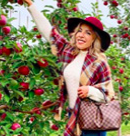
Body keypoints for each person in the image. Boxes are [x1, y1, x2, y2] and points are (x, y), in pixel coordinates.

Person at [23, 0, 115, 135]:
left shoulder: (99, 62)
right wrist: (31, 6)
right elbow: (49, 33)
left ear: (95, 38)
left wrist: (89, 90)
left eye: (88, 33)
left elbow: (108, 94)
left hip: (93, 120)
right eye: (80, 31)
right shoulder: (69, 52)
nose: (81, 35)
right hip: (73, 114)